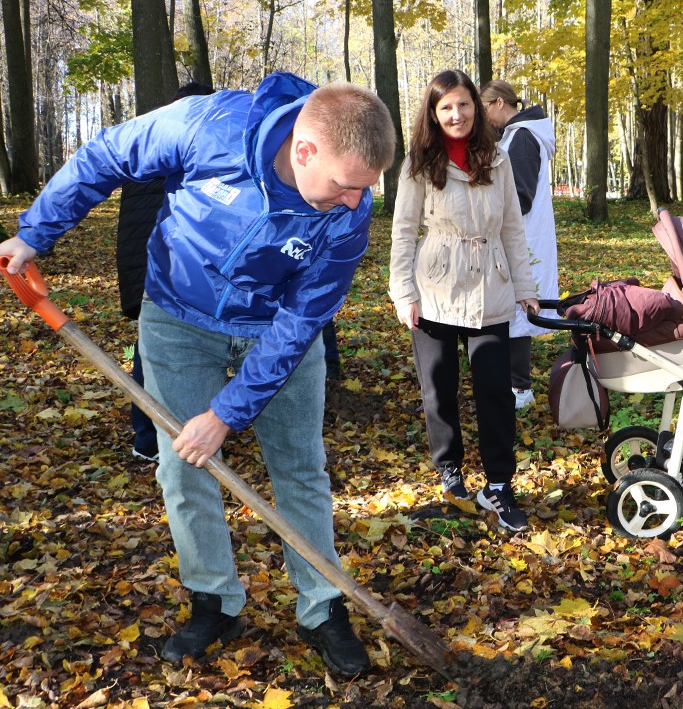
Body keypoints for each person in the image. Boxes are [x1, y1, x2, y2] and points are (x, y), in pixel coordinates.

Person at [1, 72, 396, 676]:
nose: (354, 200)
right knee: (182, 468)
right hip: (179, 318)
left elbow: (299, 325)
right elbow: (109, 154)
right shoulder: (211, 127)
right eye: (346, 185)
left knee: (300, 469)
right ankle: (213, 600)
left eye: (363, 189)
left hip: (273, 334)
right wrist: (36, 232)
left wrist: (226, 414)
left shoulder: (348, 214)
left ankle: (322, 605)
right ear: (304, 148)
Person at [389, 69, 539, 532]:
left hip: (489, 287)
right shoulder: (419, 161)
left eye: (464, 104)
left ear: (477, 106)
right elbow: (402, 231)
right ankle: (450, 471)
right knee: (439, 390)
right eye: (446, 107)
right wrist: (403, 292)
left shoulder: (497, 158)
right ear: (434, 114)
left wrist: (525, 287)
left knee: (495, 391)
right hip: (435, 290)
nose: (456, 114)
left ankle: (498, 484)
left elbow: (512, 227)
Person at [117, 82, 215, 464]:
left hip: (148, 269)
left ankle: (150, 437)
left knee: (150, 353)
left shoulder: (147, 146)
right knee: (163, 355)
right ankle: (154, 437)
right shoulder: (195, 153)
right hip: (171, 273)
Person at [478, 80, 559, 410]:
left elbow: (520, 196)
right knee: (510, 310)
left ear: (499, 103)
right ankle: (512, 384)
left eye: (482, 109)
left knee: (518, 312)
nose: (482, 118)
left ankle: (520, 389)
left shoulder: (523, 138)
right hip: (514, 234)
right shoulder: (515, 135)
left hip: (521, 236)